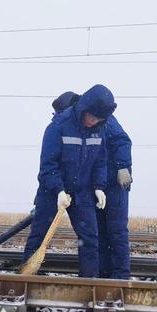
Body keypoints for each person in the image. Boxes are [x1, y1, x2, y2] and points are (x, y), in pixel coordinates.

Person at [22, 85, 116, 278]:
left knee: (90, 239)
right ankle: (25, 280)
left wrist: (99, 187)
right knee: (39, 237)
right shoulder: (58, 126)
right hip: (52, 192)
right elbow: (47, 167)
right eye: (92, 117)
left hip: (83, 193)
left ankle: (89, 285)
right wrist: (58, 190)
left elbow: (100, 161)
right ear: (85, 108)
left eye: (99, 119)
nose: (94, 122)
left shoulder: (99, 130)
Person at [52, 92, 132, 279]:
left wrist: (122, 166)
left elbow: (122, 141)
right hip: (95, 185)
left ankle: (121, 276)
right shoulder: (76, 123)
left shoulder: (104, 119)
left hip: (115, 183)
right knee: (98, 232)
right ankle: (104, 275)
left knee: (116, 230)